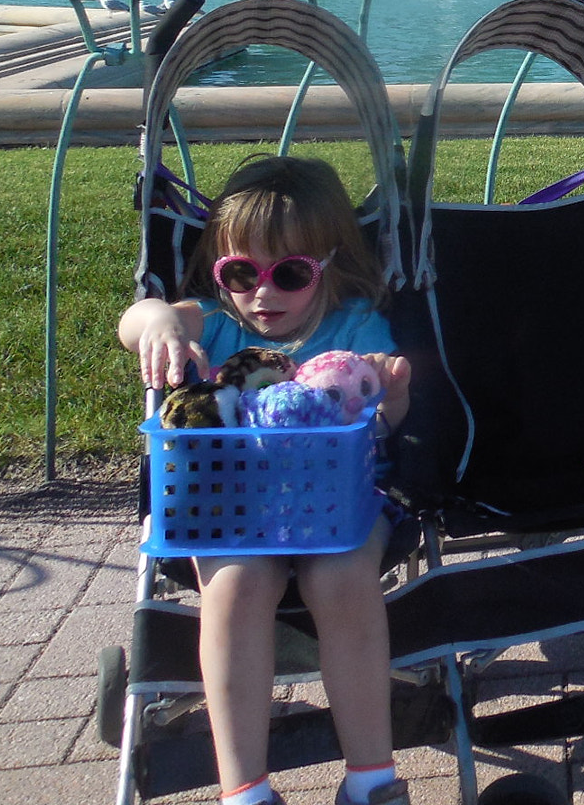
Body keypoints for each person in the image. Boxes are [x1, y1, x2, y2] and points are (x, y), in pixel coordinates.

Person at [118, 155, 414, 805]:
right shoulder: (217, 325)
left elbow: (387, 413)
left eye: (290, 274)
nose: (262, 292)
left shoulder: (354, 327)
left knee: (341, 579)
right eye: (242, 272)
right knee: (237, 585)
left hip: (340, 502)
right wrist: (161, 321)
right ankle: (245, 789)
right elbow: (132, 324)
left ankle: (371, 779)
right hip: (230, 508)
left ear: (329, 265)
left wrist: (389, 393)